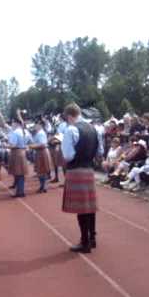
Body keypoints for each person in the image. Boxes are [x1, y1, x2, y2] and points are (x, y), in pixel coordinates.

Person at [61, 103, 103, 254]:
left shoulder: (71, 130)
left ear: (69, 116)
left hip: (76, 170)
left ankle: (84, 242)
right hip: (89, 170)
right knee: (89, 208)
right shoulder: (94, 129)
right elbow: (100, 152)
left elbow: (67, 156)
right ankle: (92, 239)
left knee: (81, 209)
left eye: (66, 118)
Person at [7, 118, 29, 197]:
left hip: (17, 153)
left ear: (16, 123)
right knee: (21, 174)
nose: (12, 124)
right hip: (22, 152)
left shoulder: (15, 132)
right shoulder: (25, 131)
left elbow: (13, 145)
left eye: (12, 123)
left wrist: (5, 145)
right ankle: (21, 191)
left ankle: (20, 192)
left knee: (18, 173)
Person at [30, 120, 52, 193]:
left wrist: (32, 146)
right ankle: (43, 186)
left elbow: (42, 144)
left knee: (41, 170)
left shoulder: (40, 133)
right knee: (41, 170)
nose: (35, 126)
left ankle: (43, 186)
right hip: (40, 152)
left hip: (41, 152)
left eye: (36, 125)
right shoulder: (39, 133)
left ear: (40, 125)